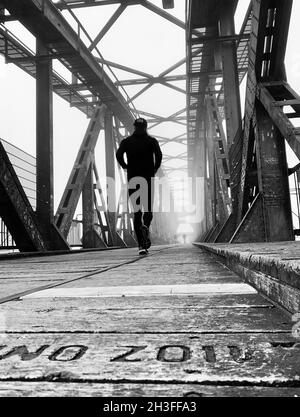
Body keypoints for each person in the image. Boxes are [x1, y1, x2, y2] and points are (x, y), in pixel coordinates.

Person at [116, 118, 162, 255]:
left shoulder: (126, 142)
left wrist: (125, 166)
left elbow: (118, 155)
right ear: (146, 127)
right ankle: (146, 228)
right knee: (148, 211)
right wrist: (154, 169)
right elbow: (159, 156)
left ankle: (141, 244)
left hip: (133, 179)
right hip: (147, 179)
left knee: (137, 212)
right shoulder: (152, 141)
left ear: (134, 127)